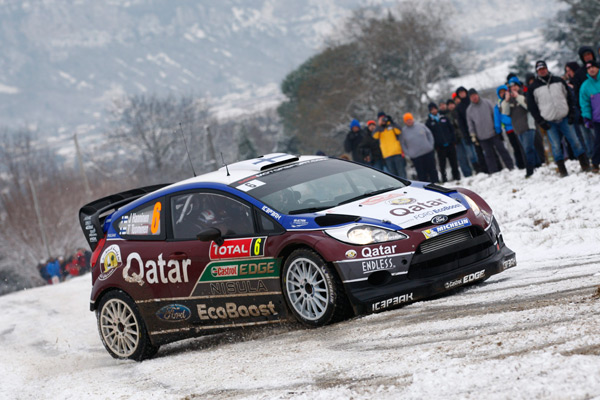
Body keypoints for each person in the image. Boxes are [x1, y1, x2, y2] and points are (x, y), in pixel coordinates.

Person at [527, 60, 590, 176]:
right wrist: (541, 122)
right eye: (540, 70)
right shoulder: (533, 88)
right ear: (537, 71)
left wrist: (571, 114)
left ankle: (585, 164)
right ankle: (562, 170)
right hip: (549, 121)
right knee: (556, 146)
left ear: (547, 68)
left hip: (565, 117)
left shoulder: (559, 81)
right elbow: (532, 107)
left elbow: (570, 97)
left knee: (575, 141)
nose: (542, 71)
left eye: (544, 68)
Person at [467, 88, 515, 173]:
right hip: (482, 136)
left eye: (474, 95)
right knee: (488, 155)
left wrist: (498, 128)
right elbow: (470, 124)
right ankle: (494, 171)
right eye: (471, 96)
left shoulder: (487, 102)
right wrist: (473, 135)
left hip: (493, 132)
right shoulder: (469, 110)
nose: (474, 97)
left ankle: (511, 166)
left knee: (502, 150)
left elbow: (495, 115)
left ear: (477, 94)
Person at [501, 81, 540, 177]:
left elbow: (528, 105)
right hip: (518, 129)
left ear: (518, 86)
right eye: (511, 87)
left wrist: (518, 96)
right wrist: (506, 100)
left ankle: (530, 170)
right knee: (528, 148)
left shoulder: (524, 94)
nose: (513, 88)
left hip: (528, 126)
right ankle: (538, 164)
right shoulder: (509, 100)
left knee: (528, 149)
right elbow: (505, 112)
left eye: (515, 86)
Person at [426, 102, 460, 181]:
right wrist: (435, 145)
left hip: (450, 144)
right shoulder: (429, 122)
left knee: (454, 162)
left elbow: (451, 129)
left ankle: (456, 176)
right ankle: (444, 178)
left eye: (435, 109)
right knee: (442, 164)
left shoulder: (444, 118)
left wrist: (453, 140)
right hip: (440, 147)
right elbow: (429, 135)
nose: (434, 111)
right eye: (432, 110)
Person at [494, 84, 526, 170]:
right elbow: (497, 119)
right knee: (515, 147)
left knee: (523, 145)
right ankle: (520, 164)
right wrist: (498, 131)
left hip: (519, 126)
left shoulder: (513, 99)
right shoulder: (498, 105)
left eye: (504, 91)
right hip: (509, 129)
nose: (502, 94)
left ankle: (527, 161)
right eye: (500, 93)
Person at [400, 113, 438, 182]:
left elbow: (429, 134)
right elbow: (402, 144)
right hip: (416, 156)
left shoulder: (421, 126)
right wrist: (409, 154)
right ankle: (425, 187)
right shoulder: (403, 131)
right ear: (405, 122)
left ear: (412, 119)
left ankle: (436, 183)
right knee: (421, 174)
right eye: (407, 120)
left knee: (432, 170)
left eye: (410, 119)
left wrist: (431, 145)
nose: (409, 121)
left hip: (428, 152)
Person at [456, 86, 485, 173]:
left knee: (483, 150)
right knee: (473, 154)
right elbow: (461, 123)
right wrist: (466, 134)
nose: (462, 94)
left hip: (480, 129)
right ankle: (478, 169)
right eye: (460, 93)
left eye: (463, 92)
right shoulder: (459, 107)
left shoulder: (472, 102)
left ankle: (486, 167)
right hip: (468, 131)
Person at [579, 59, 600, 172]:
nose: (591, 69)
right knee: (598, 142)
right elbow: (584, 103)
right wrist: (587, 117)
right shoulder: (585, 86)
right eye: (588, 68)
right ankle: (596, 163)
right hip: (597, 118)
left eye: (593, 67)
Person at [373, 111, 406, 178]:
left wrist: (392, 122)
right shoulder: (379, 129)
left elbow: (399, 131)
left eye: (383, 118)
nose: (383, 120)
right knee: (394, 176)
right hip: (387, 155)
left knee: (401, 173)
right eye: (381, 119)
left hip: (397, 153)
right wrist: (379, 125)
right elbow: (374, 136)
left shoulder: (391, 125)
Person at [447, 99, 473, 177]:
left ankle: (476, 170)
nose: (451, 106)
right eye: (449, 105)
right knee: (461, 158)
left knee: (471, 155)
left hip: (464, 136)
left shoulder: (459, 112)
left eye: (452, 104)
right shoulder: (447, 117)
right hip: (456, 140)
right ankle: (467, 174)